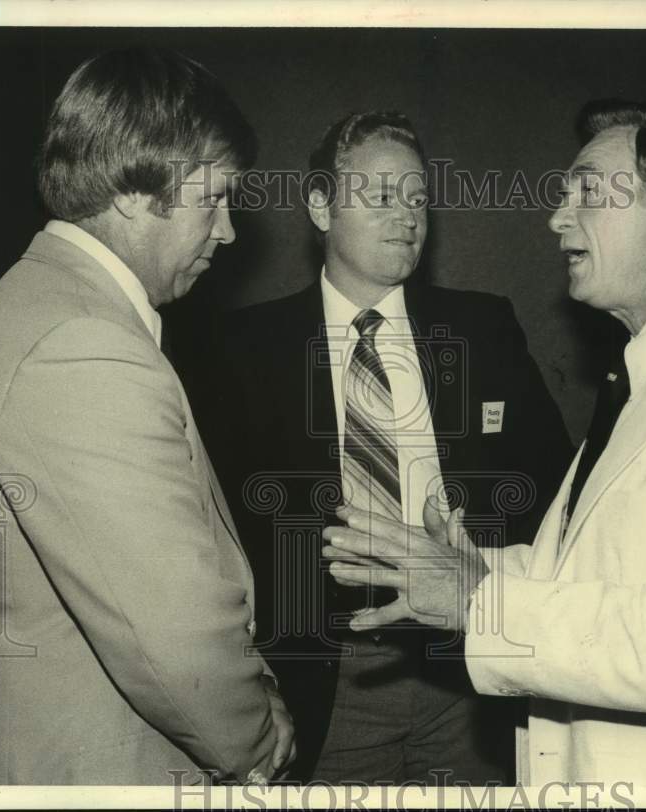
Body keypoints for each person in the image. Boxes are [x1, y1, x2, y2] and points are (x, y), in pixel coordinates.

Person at [322, 100, 646, 787]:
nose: (557, 218)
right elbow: (593, 571)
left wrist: (478, 601)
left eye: (587, 192)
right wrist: (473, 567)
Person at [0, 47, 293, 785]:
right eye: (214, 198)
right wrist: (258, 738)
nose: (227, 231)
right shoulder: (82, 345)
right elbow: (174, 640)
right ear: (133, 191)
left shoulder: (42, 303)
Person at [189, 111, 573, 783]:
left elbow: (553, 489)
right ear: (320, 206)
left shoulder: (482, 327)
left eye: (419, 199)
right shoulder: (241, 349)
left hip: (467, 674)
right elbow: (210, 534)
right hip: (327, 681)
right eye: (384, 196)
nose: (407, 217)